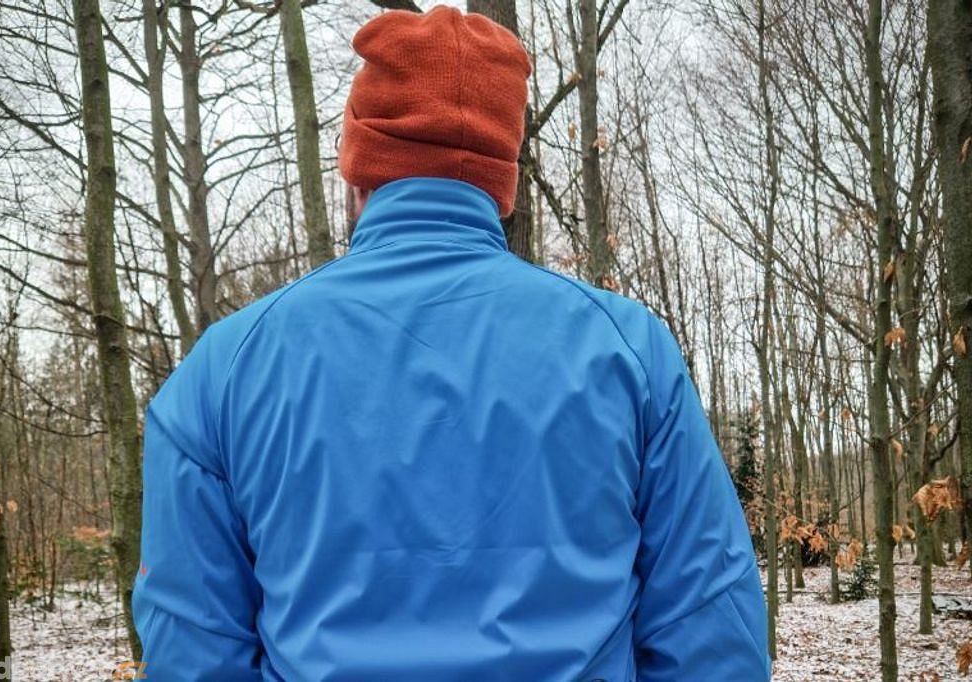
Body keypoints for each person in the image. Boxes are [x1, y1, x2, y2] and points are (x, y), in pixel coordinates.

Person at [132, 5, 771, 681]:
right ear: (501, 183)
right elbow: (713, 635)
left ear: (358, 172)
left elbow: (191, 653)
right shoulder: (629, 352)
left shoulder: (225, 369)